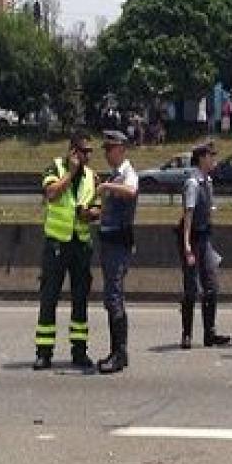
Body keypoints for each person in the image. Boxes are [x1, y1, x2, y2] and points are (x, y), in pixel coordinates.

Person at [34, 133, 101, 371]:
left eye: (90, 152)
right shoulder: (55, 167)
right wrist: (70, 174)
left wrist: (90, 214)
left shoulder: (92, 176)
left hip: (80, 244)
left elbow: (98, 207)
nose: (87, 156)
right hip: (56, 244)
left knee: (80, 299)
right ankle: (44, 352)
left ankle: (79, 351)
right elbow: (51, 194)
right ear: (72, 151)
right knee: (49, 297)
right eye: (83, 151)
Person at [178, 141, 231, 349]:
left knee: (211, 286)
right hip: (192, 237)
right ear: (201, 158)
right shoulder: (193, 183)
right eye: (211, 156)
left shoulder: (207, 181)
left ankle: (210, 333)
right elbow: (188, 214)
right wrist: (186, 245)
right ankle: (187, 334)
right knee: (191, 287)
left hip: (205, 237)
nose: (214, 159)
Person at [95, 131, 139, 373]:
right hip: (109, 242)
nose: (106, 154)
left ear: (121, 150)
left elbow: (131, 191)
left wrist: (106, 186)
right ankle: (117, 352)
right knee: (111, 297)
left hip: (118, 244)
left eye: (109, 149)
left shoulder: (127, 173)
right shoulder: (115, 175)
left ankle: (119, 354)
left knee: (114, 297)